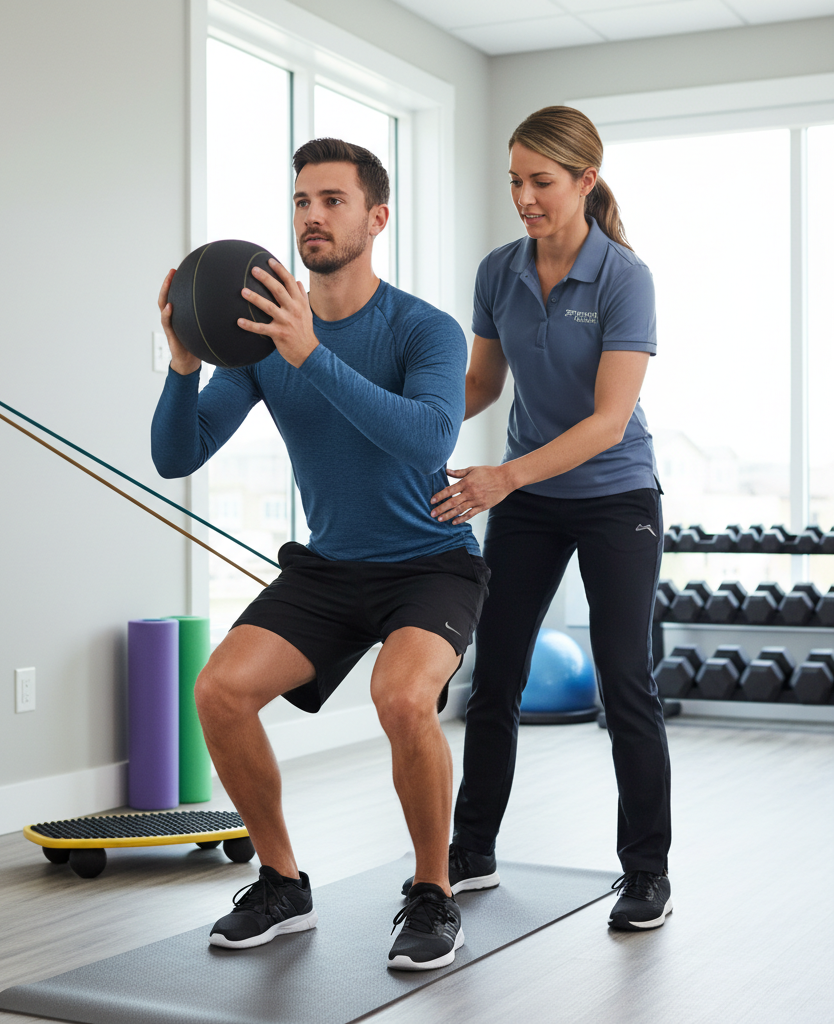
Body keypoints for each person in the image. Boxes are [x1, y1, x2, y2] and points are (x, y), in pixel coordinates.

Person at [151, 138, 490, 969]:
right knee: (220, 692)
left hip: (430, 561)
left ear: (376, 218)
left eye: (333, 200)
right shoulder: (264, 338)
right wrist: (184, 362)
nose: (313, 215)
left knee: (404, 699)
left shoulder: (423, 330)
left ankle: (432, 894)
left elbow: (428, 438)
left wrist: (313, 354)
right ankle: (280, 882)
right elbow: (177, 453)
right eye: (302, 200)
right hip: (331, 566)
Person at [411, 106, 672, 931]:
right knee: (496, 677)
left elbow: (605, 420)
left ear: (586, 182)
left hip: (616, 495)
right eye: (515, 180)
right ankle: (473, 850)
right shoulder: (500, 271)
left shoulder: (625, 277)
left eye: (541, 181)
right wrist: (407, 430)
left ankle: (646, 874)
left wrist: (502, 478)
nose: (524, 196)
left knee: (625, 680)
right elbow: (481, 386)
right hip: (530, 501)